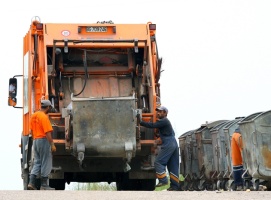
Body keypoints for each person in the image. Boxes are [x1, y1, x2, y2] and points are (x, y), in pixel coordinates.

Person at [138, 106, 180, 191]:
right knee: (173, 165)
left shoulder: (164, 121)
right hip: (173, 143)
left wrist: (141, 122)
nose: (158, 113)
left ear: (165, 113)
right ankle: (175, 186)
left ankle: (163, 180)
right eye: (158, 111)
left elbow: (152, 125)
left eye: (160, 111)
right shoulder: (166, 122)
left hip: (169, 143)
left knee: (158, 162)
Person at [27, 99, 57, 190]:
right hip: (43, 140)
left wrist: (34, 140)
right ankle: (44, 185)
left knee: (37, 162)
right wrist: (52, 144)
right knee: (46, 161)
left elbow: (31, 130)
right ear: (47, 107)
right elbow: (47, 132)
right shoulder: (44, 117)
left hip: (35, 140)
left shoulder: (34, 116)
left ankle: (31, 183)